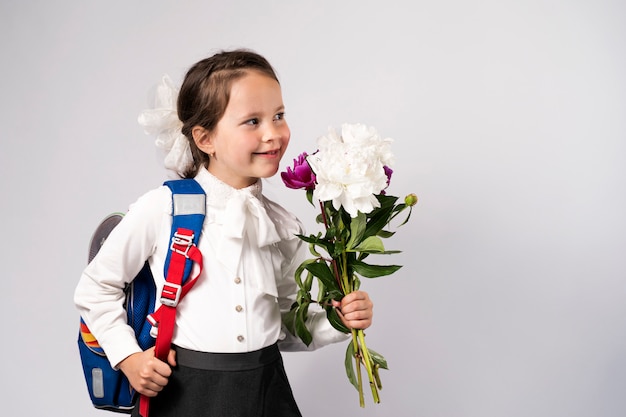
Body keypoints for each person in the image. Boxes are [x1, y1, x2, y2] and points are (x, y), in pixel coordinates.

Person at [74, 48, 374, 417]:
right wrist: (129, 358)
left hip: (267, 391)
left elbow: (284, 322)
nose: (273, 134)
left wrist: (337, 320)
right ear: (205, 139)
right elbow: (95, 288)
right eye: (252, 121)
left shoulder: (281, 224)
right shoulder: (163, 209)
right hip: (186, 394)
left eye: (278, 116)